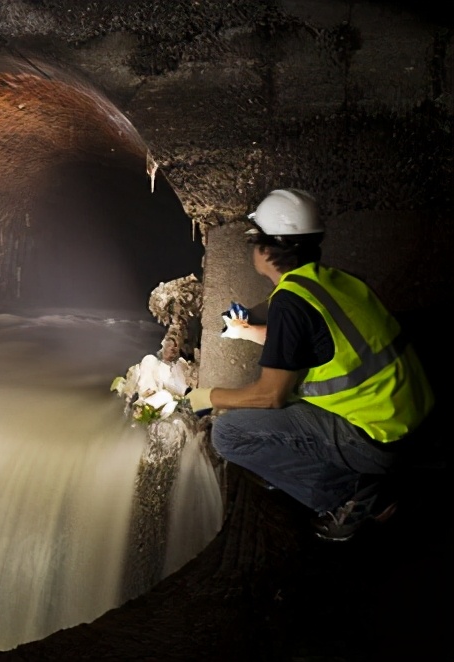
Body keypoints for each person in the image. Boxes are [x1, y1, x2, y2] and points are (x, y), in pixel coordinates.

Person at [186, 188, 434, 541]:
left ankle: (349, 497)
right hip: (412, 418)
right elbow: (311, 340)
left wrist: (208, 396)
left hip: (377, 440)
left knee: (230, 433)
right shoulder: (332, 281)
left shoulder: (290, 300)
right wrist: (246, 331)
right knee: (279, 409)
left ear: (267, 250)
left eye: (254, 241)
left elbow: (271, 395)